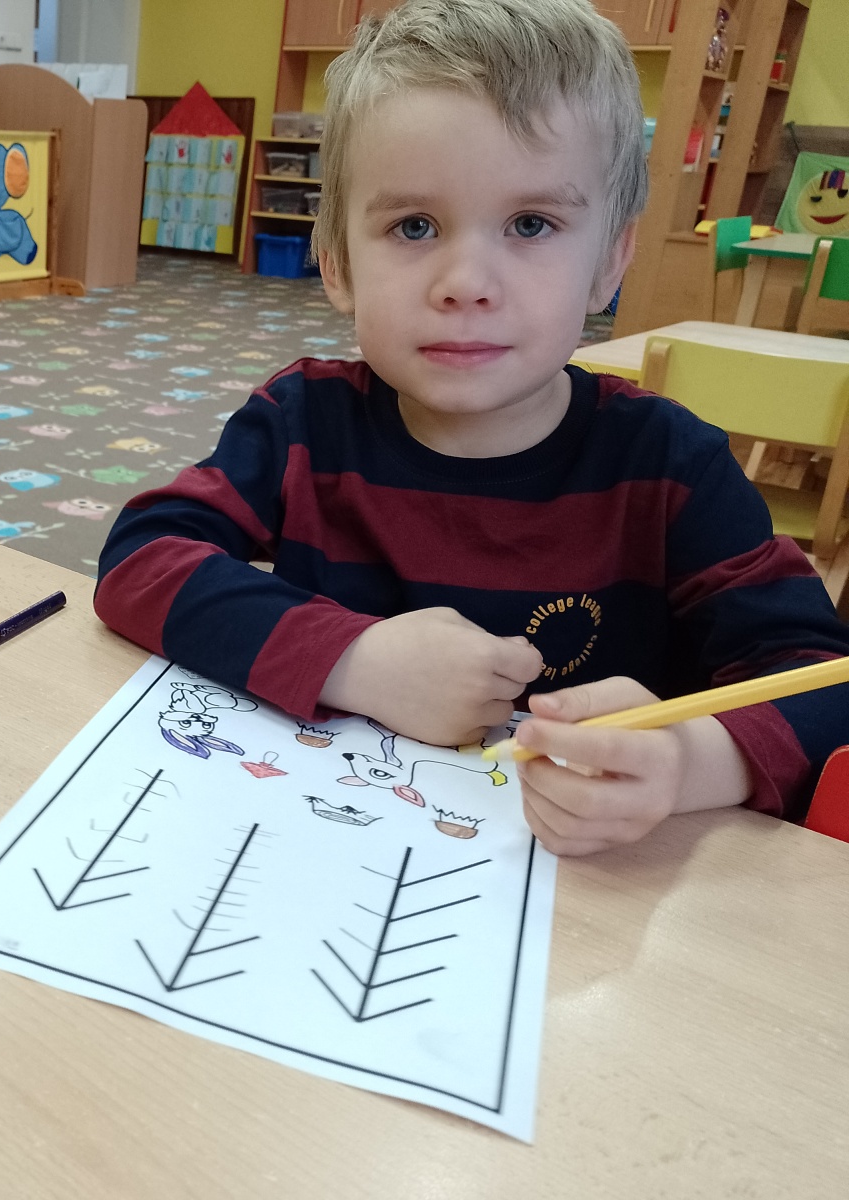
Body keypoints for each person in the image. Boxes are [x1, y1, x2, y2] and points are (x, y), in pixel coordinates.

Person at [93, 0, 849, 855]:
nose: (466, 282)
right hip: (323, 850)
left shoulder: (670, 466)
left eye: (531, 224)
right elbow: (142, 558)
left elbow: (822, 681)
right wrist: (356, 659)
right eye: (413, 226)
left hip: (591, 888)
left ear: (609, 261)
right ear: (336, 263)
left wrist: (685, 763)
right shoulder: (302, 422)